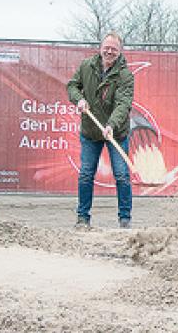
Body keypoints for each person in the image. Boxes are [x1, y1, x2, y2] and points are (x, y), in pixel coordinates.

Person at [67, 32, 135, 229]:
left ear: (119, 51)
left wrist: (111, 125)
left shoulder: (125, 75)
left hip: (116, 131)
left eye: (114, 49)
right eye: (107, 47)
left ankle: (124, 218)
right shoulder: (86, 65)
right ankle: (83, 217)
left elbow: (123, 104)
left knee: (121, 175)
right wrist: (78, 99)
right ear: (100, 47)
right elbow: (72, 86)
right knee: (86, 174)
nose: (109, 51)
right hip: (90, 131)